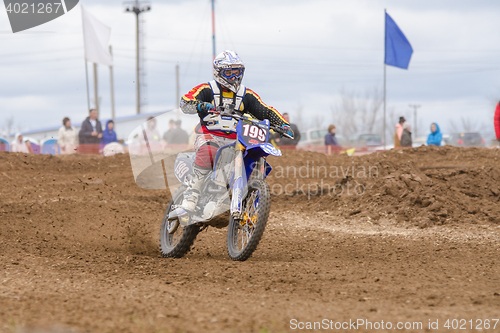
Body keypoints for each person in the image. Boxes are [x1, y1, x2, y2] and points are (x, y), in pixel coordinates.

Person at [177, 49, 293, 213]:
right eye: (229, 72)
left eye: (237, 72)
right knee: (209, 150)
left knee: (252, 155)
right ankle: (192, 195)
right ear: (219, 72)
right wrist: (200, 105)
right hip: (209, 135)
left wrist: (282, 124)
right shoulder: (208, 89)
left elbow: (265, 110)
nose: (234, 77)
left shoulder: (245, 94)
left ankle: (245, 194)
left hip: (236, 140)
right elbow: (186, 101)